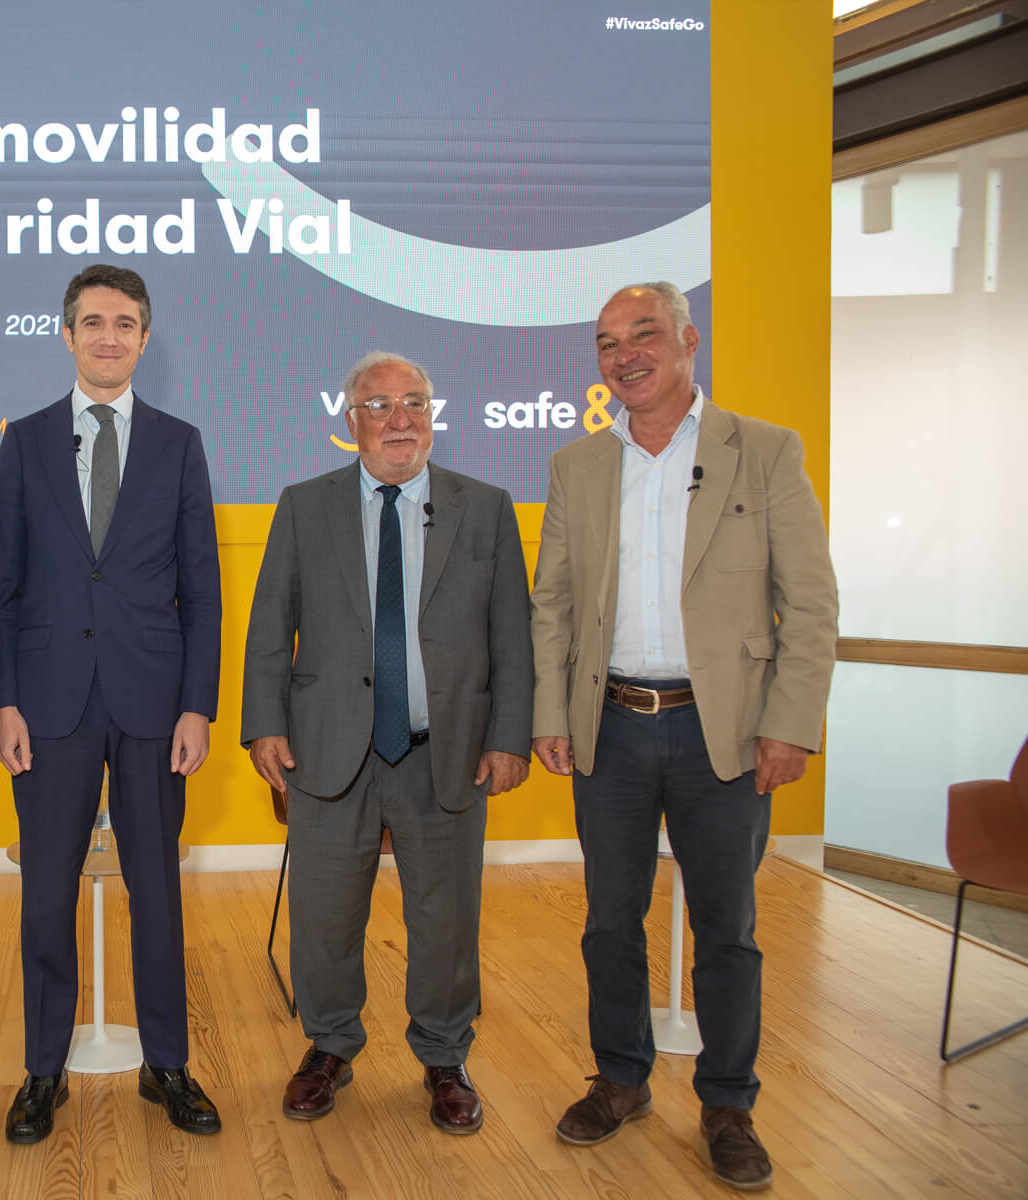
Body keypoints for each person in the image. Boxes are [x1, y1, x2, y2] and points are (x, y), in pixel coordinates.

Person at [530, 282, 838, 1191]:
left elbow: (810, 603)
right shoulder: (577, 466)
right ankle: (621, 1079)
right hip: (613, 730)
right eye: (606, 342)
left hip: (726, 733)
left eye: (644, 334)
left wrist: (790, 722)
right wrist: (550, 714)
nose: (624, 355)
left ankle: (728, 1104)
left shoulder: (764, 451)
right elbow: (552, 605)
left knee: (727, 929)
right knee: (608, 921)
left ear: (688, 341)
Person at [241, 350, 532, 1134]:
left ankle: (444, 1056)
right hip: (327, 749)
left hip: (448, 750)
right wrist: (264, 724)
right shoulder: (305, 506)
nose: (399, 419)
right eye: (379, 405)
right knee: (324, 913)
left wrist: (510, 735)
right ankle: (330, 1046)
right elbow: (270, 626)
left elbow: (513, 634)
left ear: (431, 416)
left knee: (447, 918)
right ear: (351, 421)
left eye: (414, 403)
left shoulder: (486, 507)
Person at [0, 263, 223, 1143]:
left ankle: (168, 1065)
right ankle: (42, 1072)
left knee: (156, 893)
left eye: (125, 323)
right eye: (93, 322)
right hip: (48, 705)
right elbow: (2, 589)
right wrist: (5, 702)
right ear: (68, 334)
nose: (109, 337)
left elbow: (202, 588)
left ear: (145, 338)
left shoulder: (180, 443)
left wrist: (197, 706)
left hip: (155, 704)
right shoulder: (24, 441)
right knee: (46, 896)